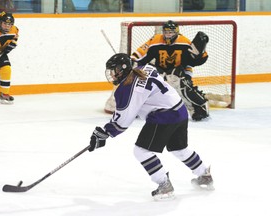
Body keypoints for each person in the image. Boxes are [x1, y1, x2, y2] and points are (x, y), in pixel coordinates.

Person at [89, 53, 214, 200]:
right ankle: (204, 174)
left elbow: (123, 121)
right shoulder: (145, 68)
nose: (112, 75)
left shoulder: (127, 89)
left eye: (114, 71)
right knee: (179, 148)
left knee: (141, 151)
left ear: (122, 70)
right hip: (179, 110)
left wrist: (105, 133)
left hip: (165, 115)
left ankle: (164, 185)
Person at [104, 20, 210, 121]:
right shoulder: (156, 40)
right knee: (142, 80)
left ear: (177, 32)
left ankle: (200, 106)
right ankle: (137, 108)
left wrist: (200, 54)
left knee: (180, 83)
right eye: (166, 32)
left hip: (181, 70)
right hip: (161, 70)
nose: (168, 35)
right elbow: (141, 53)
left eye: (171, 32)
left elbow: (194, 61)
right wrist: (131, 61)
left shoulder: (184, 42)